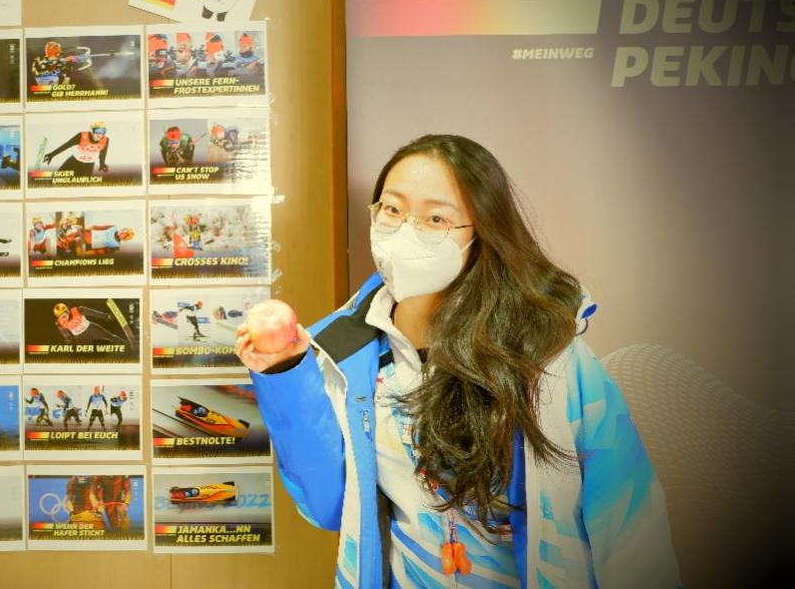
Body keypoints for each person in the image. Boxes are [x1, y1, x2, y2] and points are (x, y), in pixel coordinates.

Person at [234, 134, 679, 588]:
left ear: (480, 232)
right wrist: (286, 375)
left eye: (435, 218)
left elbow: (629, 523)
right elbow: (331, 506)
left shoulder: (548, 359)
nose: (405, 231)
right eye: (392, 209)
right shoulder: (349, 357)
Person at [41, 121, 111, 177]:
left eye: (103, 131)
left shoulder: (105, 140)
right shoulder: (82, 136)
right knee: (57, 178)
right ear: (92, 131)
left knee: (82, 185)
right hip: (73, 162)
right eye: (97, 131)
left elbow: (103, 153)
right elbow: (66, 145)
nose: (100, 134)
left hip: (88, 166)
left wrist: (102, 164)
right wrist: (52, 154)